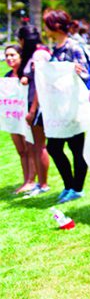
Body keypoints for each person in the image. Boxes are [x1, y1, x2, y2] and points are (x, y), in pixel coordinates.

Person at [43, 9, 90, 203]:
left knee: (76, 148)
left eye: (46, 25)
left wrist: (73, 70)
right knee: (54, 147)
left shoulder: (73, 46)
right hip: (58, 108)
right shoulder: (56, 48)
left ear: (55, 26)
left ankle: (77, 188)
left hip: (72, 106)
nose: (44, 29)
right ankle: (69, 185)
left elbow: (85, 73)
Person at [17, 25, 51, 198]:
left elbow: (41, 83)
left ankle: (43, 184)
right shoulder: (34, 55)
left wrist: (32, 109)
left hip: (38, 105)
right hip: (32, 103)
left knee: (39, 145)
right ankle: (38, 182)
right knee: (33, 145)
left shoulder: (39, 55)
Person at [3, 44, 36, 194]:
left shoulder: (27, 75)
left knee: (30, 149)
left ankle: (32, 180)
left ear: (20, 56)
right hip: (13, 118)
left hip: (26, 116)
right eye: (7, 55)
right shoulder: (6, 78)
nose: (9, 58)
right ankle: (25, 180)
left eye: (13, 55)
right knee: (21, 150)